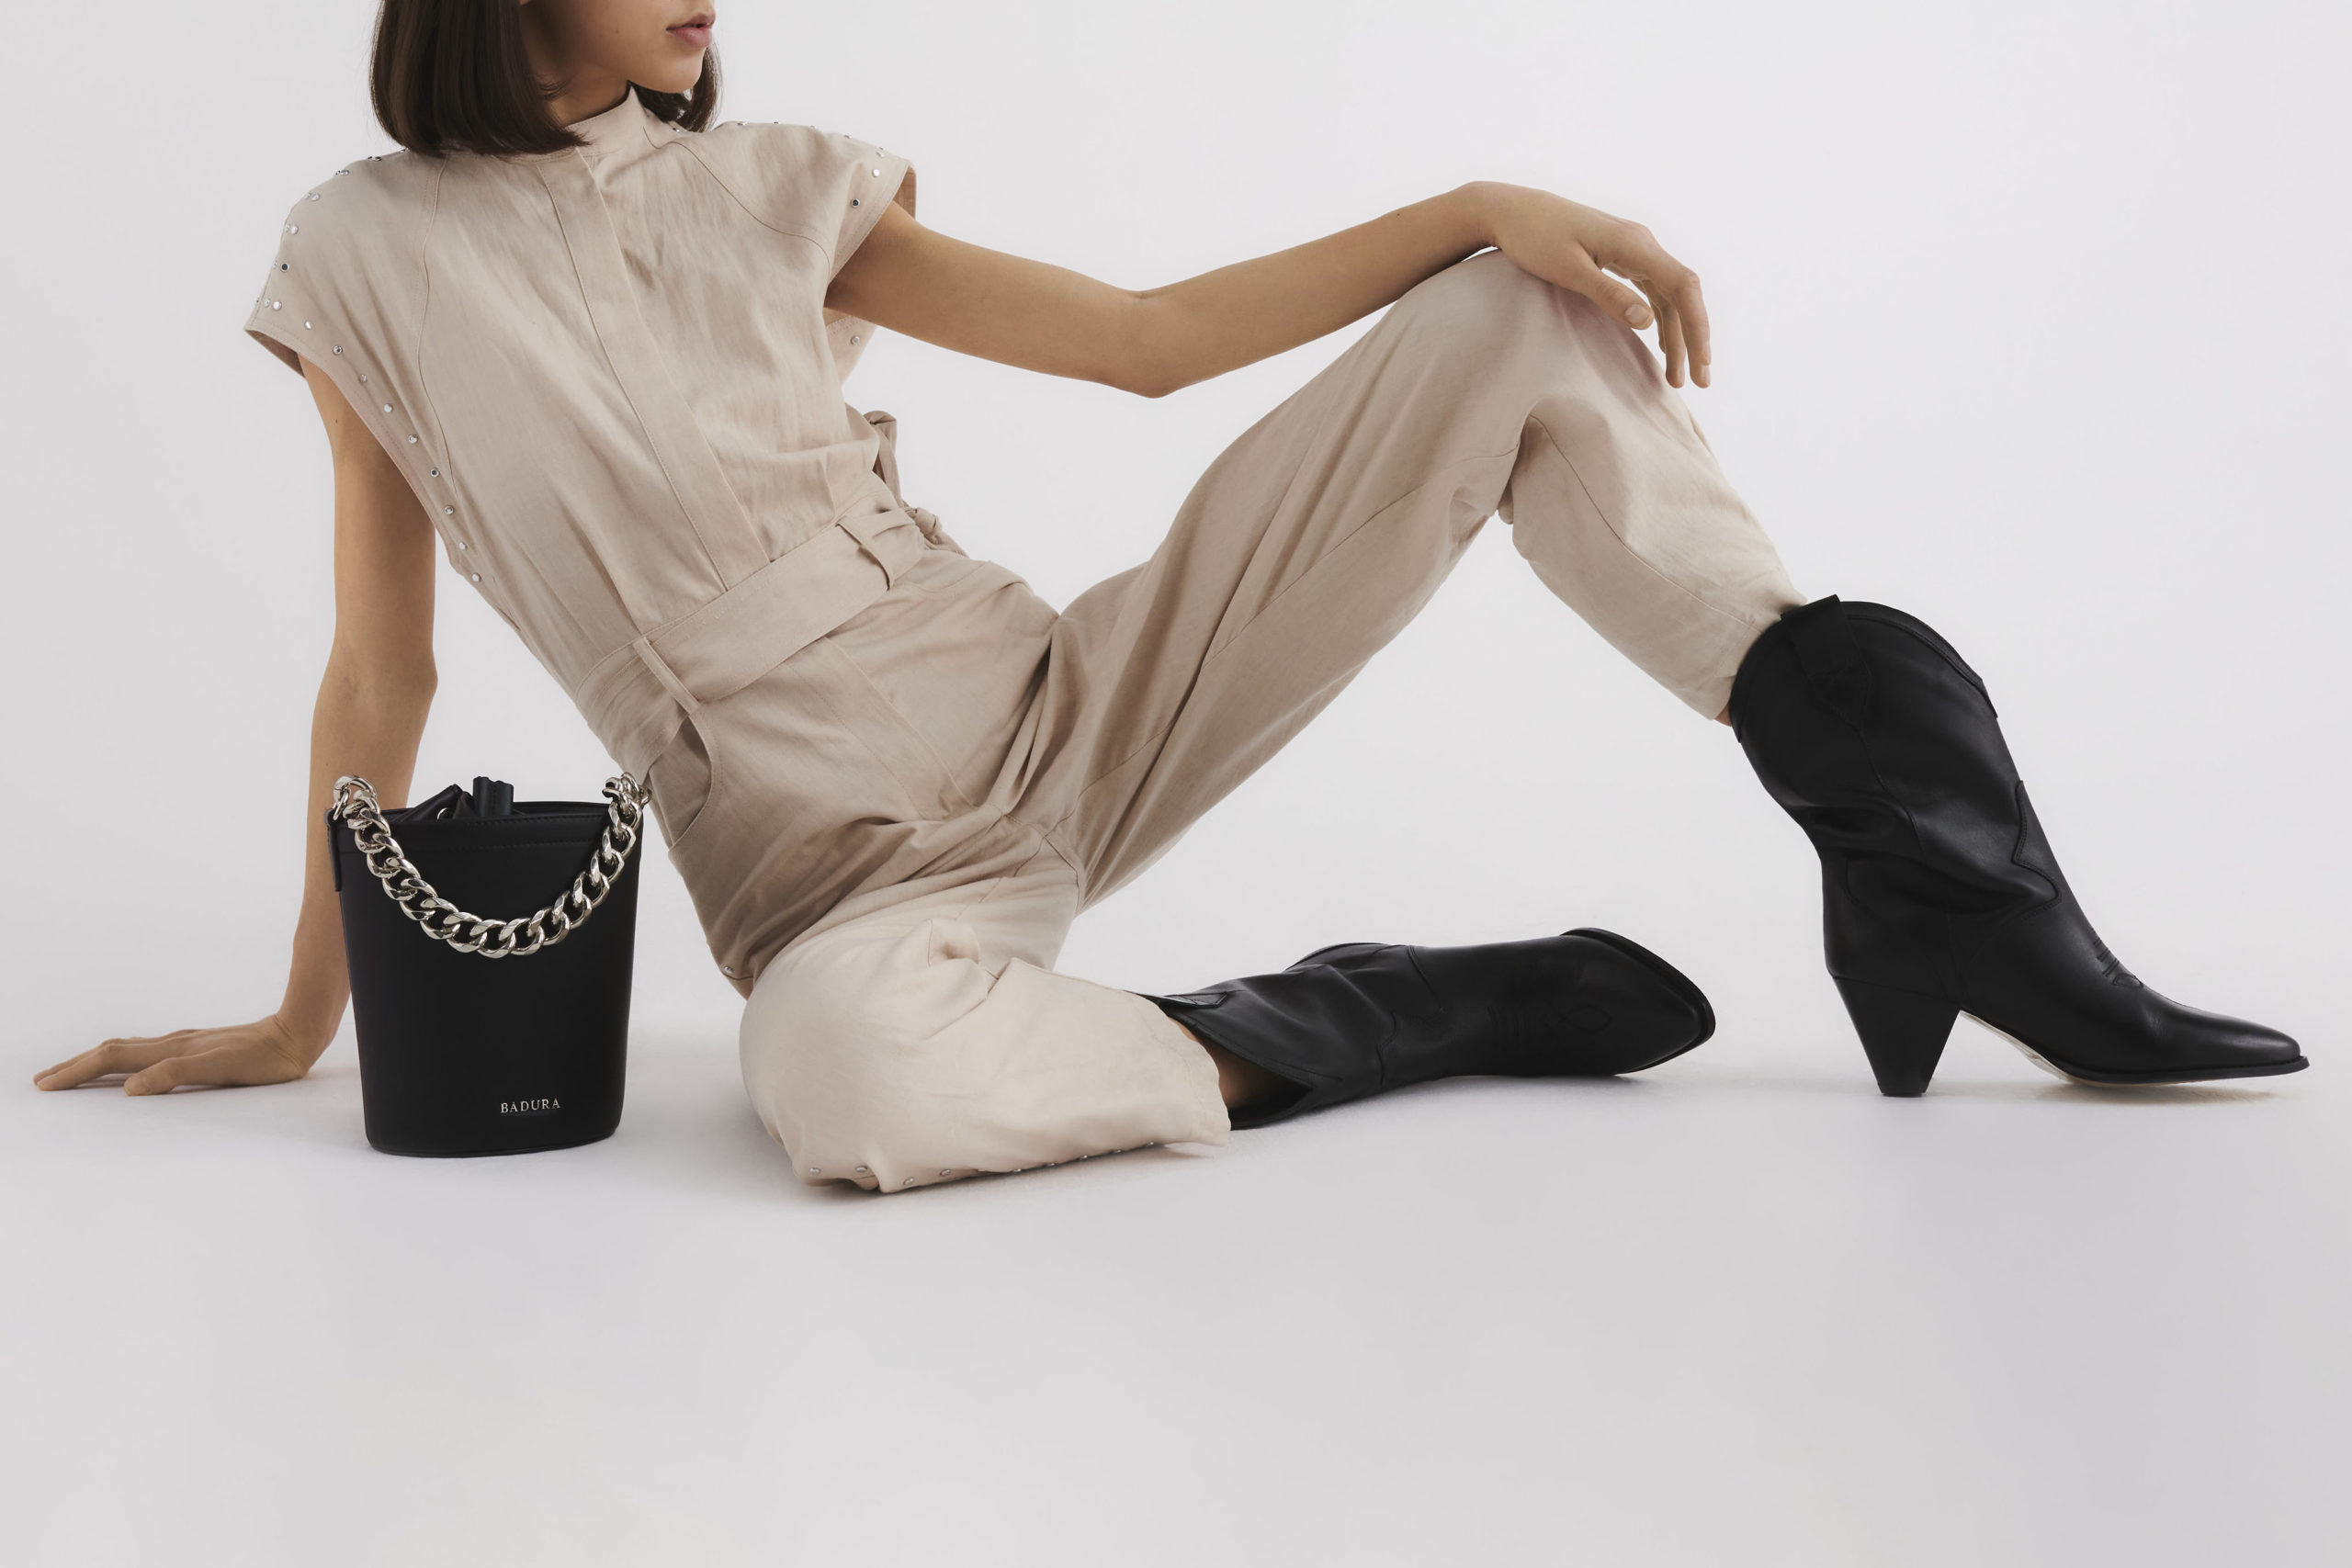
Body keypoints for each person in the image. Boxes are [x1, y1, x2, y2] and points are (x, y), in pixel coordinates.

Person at [34, 1, 2303, 1190]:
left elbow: (1142, 340)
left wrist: (1471, 203)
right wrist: (305, 1016)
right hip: (839, 883)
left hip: (1070, 702)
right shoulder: (362, 255)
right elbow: (384, 661)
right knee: (851, 1093)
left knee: (1509, 319)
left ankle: (1939, 869)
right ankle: (1377, 1011)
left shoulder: (776, 185)